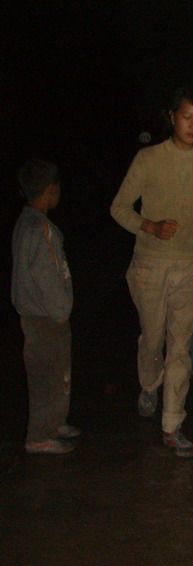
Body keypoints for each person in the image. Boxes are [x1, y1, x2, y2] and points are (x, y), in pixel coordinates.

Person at [110, 86, 193, 457]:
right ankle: (149, 383)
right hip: (150, 264)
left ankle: (172, 423)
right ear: (172, 118)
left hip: (191, 265)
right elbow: (119, 208)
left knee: (180, 345)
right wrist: (150, 226)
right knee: (152, 338)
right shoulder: (148, 159)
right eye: (187, 117)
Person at [12, 159, 81, 454]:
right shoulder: (42, 230)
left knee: (54, 372)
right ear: (51, 190)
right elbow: (46, 274)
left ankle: (54, 423)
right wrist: (61, 310)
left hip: (34, 313)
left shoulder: (24, 223)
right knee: (48, 375)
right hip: (46, 316)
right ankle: (39, 435)